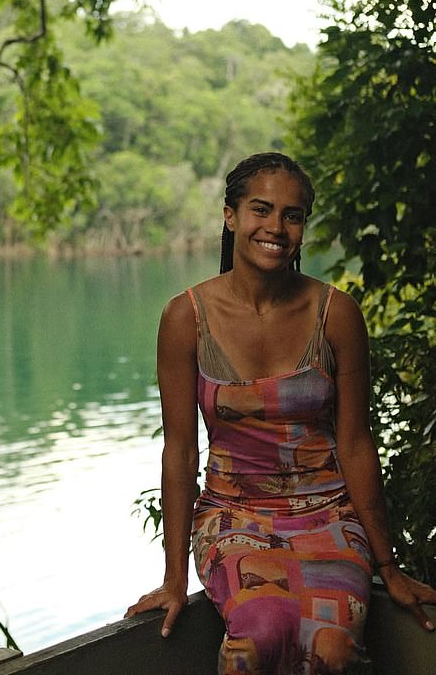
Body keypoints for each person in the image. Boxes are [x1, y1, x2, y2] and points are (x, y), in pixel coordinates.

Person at [126, 152, 436, 674]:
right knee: (260, 632)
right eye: (261, 210)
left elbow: (357, 444)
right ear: (231, 216)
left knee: (333, 647)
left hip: (329, 514)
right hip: (233, 515)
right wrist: (174, 579)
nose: (276, 227)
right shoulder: (187, 317)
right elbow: (180, 451)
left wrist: (390, 566)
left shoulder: (335, 314)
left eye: (292, 216)